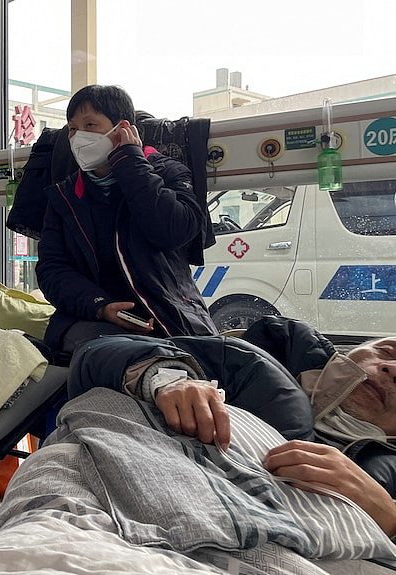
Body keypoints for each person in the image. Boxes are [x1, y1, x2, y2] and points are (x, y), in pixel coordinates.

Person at [66, 315, 396, 512]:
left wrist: (389, 515)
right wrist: (164, 376)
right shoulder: (252, 359)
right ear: (354, 350)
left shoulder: (387, 473)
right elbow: (97, 354)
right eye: (386, 351)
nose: (391, 370)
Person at [35, 85, 217, 355]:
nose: (77, 137)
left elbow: (176, 231)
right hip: (91, 320)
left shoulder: (170, 173)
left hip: (171, 317)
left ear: (122, 128)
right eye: (72, 128)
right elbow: (52, 269)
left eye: (90, 125)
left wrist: (130, 163)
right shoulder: (64, 196)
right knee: (116, 353)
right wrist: (100, 306)